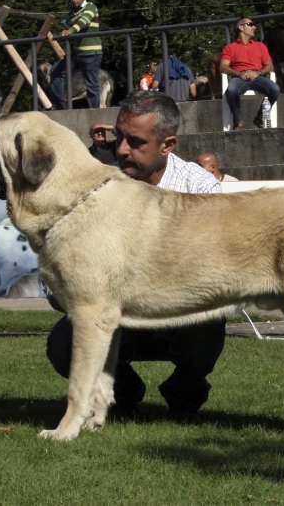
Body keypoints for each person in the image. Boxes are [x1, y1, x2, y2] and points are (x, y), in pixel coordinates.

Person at [46, 91, 226, 418]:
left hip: (179, 318)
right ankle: (121, 393)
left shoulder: (200, 189)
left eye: (135, 141)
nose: (121, 149)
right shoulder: (95, 187)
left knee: (209, 320)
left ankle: (186, 389)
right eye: (119, 137)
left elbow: (209, 271)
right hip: (116, 317)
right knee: (62, 343)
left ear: (167, 145)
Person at [220, 17, 280, 130]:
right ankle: (237, 122)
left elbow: (270, 66)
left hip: (258, 77)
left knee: (275, 89)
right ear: (241, 27)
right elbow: (223, 67)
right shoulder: (230, 48)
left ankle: (260, 117)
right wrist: (238, 74)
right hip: (239, 78)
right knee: (231, 90)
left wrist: (259, 73)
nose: (254, 27)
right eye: (250, 24)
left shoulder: (260, 46)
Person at [49, 0, 102, 109]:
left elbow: (83, 22)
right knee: (55, 72)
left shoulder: (91, 7)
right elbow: (67, 21)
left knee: (91, 85)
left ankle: (95, 114)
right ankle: (61, 107)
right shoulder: (73, 12)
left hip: (91, 53)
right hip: (78, 53)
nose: (73, 0)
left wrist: (70, 30)